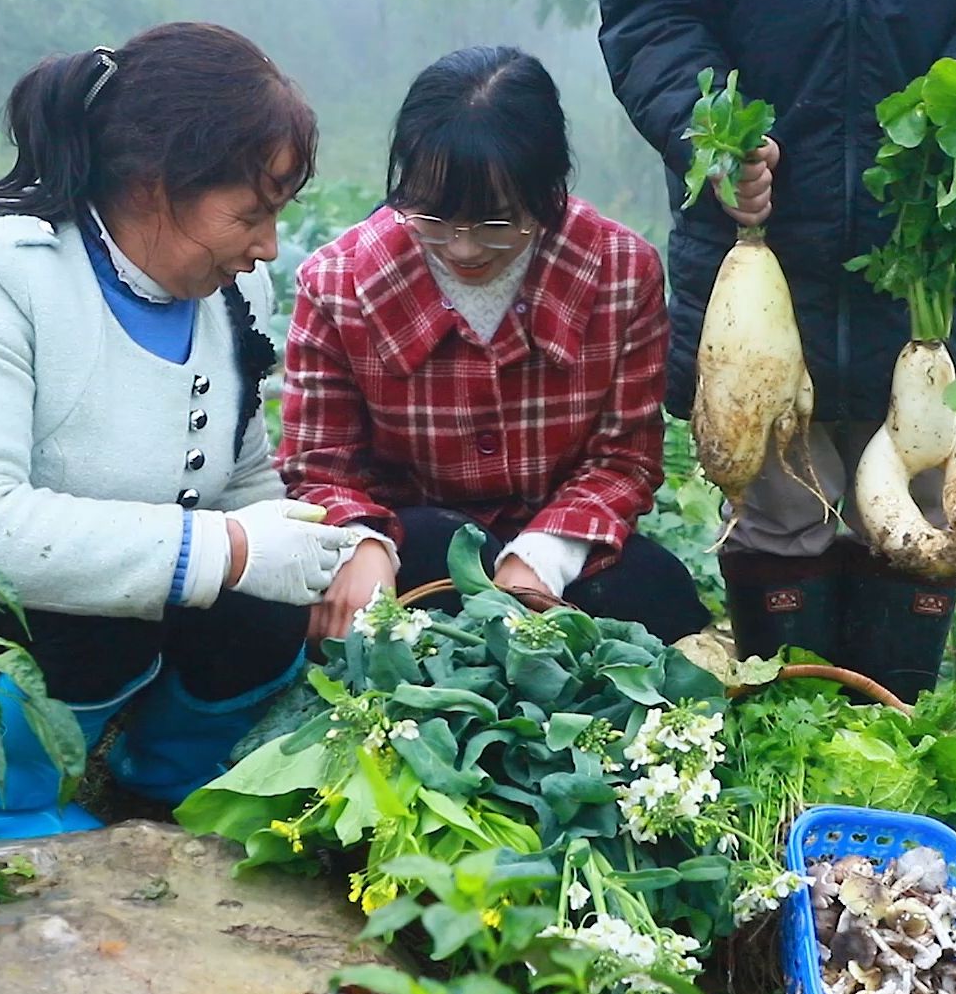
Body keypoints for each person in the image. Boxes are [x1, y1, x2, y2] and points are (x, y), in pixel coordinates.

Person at [0, 23, 355, 838]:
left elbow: (240, 475)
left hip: (97, 589)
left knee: (262, 608)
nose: (265, 248)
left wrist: (316, 554)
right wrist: (227, 549)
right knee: (107, 607)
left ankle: (166, 775)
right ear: (158, 181)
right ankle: (5, 796)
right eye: (250, 214)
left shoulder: (230, 299)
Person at [598, 0, 956, 698]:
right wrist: (706, 129)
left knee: (924, 522)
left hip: (932, 234)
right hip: (758, 248)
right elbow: (651, 7)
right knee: (776, 516)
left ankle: (891, 748)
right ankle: (788, 745)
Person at [278, 46, 711, 646]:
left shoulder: (618, 271)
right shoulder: (339, 283)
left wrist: (543, 555)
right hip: (411, 546)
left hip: (562, 546)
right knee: (413, 555)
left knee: (651, 591)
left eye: (497, 221)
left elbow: (624, 460)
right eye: (432, 217)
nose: (463, 249)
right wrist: (360, 541)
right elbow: (320, 466)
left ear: (549, 190)